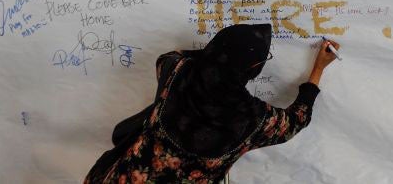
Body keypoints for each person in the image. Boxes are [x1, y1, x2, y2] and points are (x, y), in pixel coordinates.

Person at [84, 23, 340, 183]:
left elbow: (168, 56)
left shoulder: (176, 70)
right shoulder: (254, 119)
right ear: (252, 69)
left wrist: (213, 60)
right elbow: (298, 119)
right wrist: (318, 67)